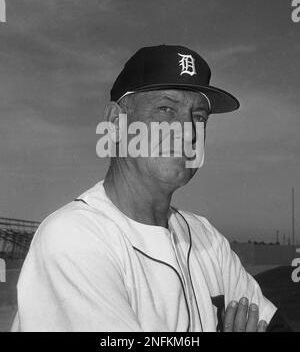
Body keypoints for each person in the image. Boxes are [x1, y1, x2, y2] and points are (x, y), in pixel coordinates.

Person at [12, 45, 291, 332]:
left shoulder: (207, 238)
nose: (187, 131)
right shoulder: (73, 237)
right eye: (166, 109)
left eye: (199, 117)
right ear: (114, 123)